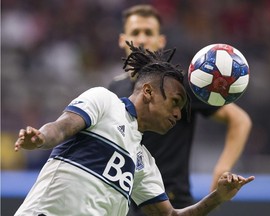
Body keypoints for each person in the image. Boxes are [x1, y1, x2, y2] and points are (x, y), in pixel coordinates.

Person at [14, 42, 254, 216]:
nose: (178, 114)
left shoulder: (144, 162)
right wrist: (40, 138)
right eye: (175, 102)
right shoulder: (104, 101)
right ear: (148, 92)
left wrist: (218, 197)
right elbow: (61, 128)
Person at [108, 4, 252, 214]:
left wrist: (222, 167)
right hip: (126, 205)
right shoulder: (115, 88)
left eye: (148, 32)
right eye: (135, 32)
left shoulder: (179, 86)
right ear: (122, 39)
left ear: (161, 41)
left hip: (174, 203)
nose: (141, 38)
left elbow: (240, 120)